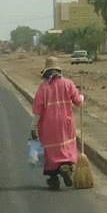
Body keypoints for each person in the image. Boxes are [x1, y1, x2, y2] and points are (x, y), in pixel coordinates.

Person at [32, 56, 84, 191]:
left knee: (50, 150)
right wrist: (82, 96)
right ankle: (66, 166)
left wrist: (33, 126)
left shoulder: (43, 88)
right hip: (66, 122)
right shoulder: (68, 83)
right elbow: (78, 101)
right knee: (66, 146)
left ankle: (53, 178)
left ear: (46, 72)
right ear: (58, 70)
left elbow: (37, 110)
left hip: (48, 125)